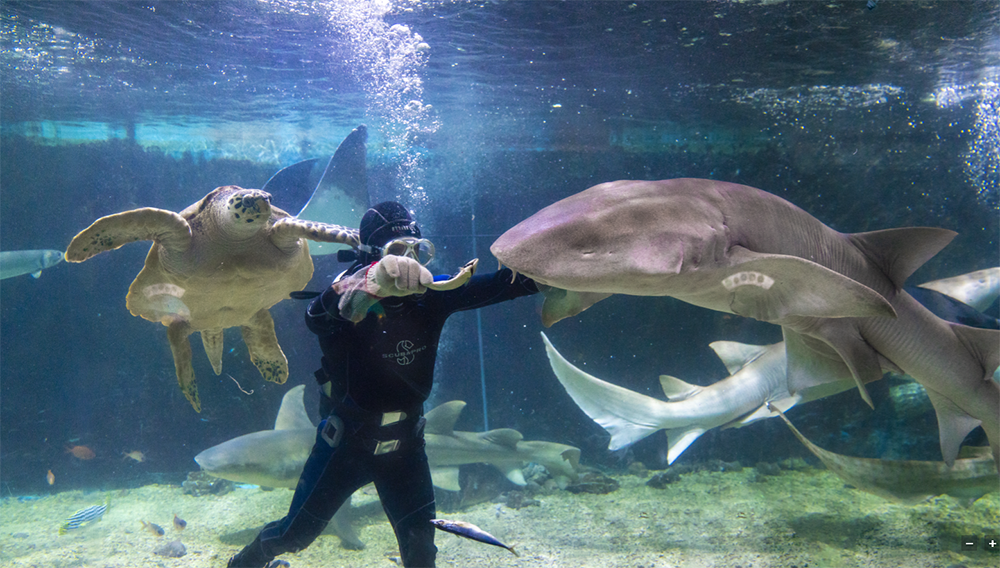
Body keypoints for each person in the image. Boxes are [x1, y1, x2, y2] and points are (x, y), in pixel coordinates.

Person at [227, 201, 539, 568]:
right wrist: (363, 285)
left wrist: (578, 267)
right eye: (397, 251)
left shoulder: (433, 296)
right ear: (372, 256)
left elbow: (508, 285)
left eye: (417, 250)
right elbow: (316, 318)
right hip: (346, 446)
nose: (409, 261)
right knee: (294, 535)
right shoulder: (345, 298)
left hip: (406, 448)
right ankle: (246, 561)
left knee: (421, 552)